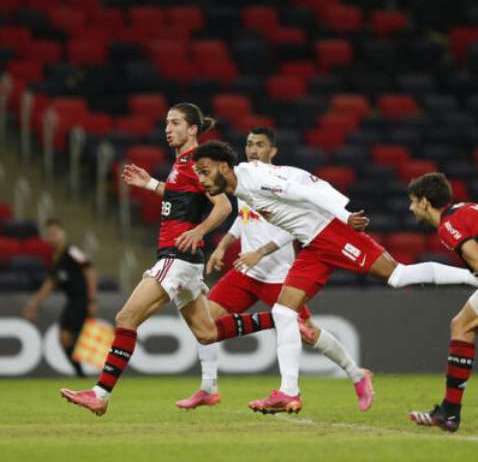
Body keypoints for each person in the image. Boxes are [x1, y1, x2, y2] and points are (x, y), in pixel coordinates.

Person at [192, 140, 478, 414]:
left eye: (205, 172)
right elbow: (308, 183)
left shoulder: (253, 179)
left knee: (398, 275)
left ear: (224, 167)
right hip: (312, 244)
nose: (202, 180)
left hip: (332, 232)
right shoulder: (243, 183)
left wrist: (345, 215)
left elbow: (306, 192)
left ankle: (472, 278)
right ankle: (288, 392)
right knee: (282, 311)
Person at [60, 104, 278, 416]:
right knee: (207, 332)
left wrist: (199, 231)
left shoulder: (198, 161)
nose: (168, 128)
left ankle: (100, 394)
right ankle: (281, 319)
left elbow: (223, 207)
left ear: (192, 129)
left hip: (177, 258)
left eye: (175, 123)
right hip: (183, 261)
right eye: (166, 123)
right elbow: (181, 199)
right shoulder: (182, 164)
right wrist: (150, 184)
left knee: (125, 319)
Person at [176, 127, 374, 412]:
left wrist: (261, 251)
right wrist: (223, 245)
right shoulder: (239, 177)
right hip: (245, 272)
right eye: (248, 144)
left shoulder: (277, 179)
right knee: (204, 321)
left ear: (273, 151)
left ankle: (357, 375)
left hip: (278, 273)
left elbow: (294, 229)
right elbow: (242, 218)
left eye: (259, 145)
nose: (253, 150)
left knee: (307, 331)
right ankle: (208, 388)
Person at [407, 173, 478, 432]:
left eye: (413, 201)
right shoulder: (463, 211)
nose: (411, 207)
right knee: (462, 325)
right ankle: (450, 412)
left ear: (425, 202)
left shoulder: (448, 225)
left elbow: (476, 258)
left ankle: (450, 413)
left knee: (462, 325)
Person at [23, 218, 96, 377]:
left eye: (55, 233)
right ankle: (80, 373)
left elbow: (89, 271)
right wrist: (34, 304)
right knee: (64, 337)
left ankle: (83, 373)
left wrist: (92, 299)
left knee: (68, 336)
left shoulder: (71, 251)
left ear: (62, 234)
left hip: (81, 299)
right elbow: (50, 283)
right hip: (72, 301)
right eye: (49, 234)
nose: (53, 237)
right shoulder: (54, 258)